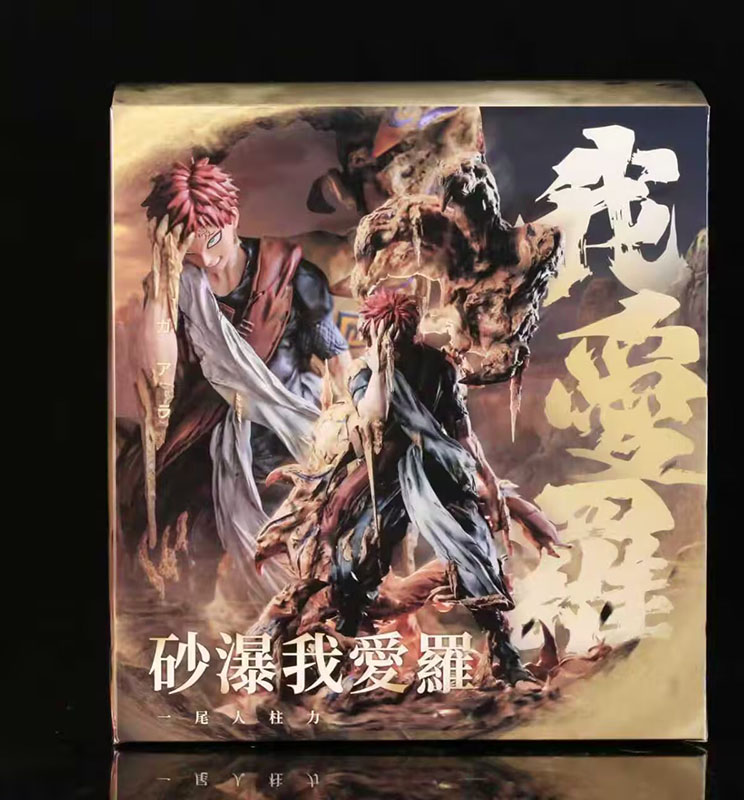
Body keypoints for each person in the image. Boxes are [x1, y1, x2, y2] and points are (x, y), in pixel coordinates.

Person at [116, 157, 351, 604]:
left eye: (212, 240)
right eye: (189, 251)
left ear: (233, 219)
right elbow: (158, 369)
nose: (205, 259)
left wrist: (346, 426)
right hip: (211, 432)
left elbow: (337, 361)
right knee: (152, 503)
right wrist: (166, 273)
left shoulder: (292, 275)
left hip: (291, 431)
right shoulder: (176, 285)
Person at [320, 289, 559, 683]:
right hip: (385, 475)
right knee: (355, 557)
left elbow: (461, 432)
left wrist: (486, 479)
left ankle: (504, 655)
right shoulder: (366, 371)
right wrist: (380, 364)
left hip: (437, 467)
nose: (394, 341)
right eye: (385, 334)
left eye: (397, 334)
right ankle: (346, 650)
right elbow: (374, 412)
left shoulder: (437, 367)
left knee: (474, 552)